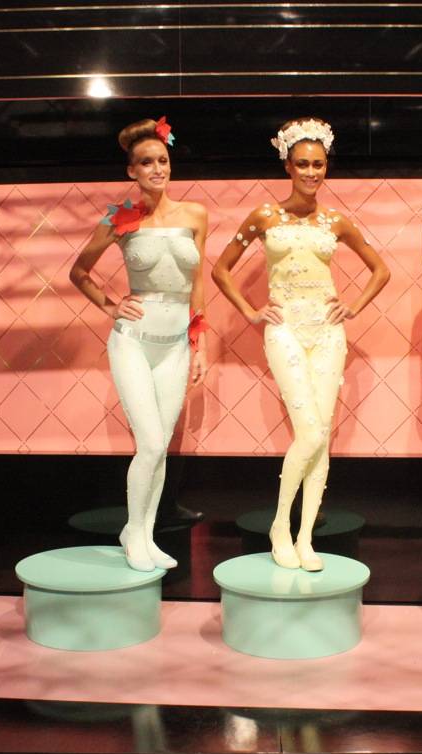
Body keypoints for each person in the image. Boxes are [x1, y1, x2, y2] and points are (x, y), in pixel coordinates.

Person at [212, 117, 390, 571]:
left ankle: (306, 536)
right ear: (287, 166)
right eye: (303, 164)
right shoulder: (264, 216)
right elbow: (220, 269)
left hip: (328, 331)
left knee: (321, 435)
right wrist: (251, 311)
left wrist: (353, 306)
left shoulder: (336, 221)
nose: (312, 172)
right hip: (285, 328)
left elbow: (381, 270)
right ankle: (279, 526)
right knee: (309, 432)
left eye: (318, 164)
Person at [69, 117, 209, 572]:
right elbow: (79, 272)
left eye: (162, 160)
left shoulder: (195, 215)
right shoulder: (120, 218)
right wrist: (110, 306)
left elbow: (198, 282)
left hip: (176, 344)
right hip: (132, 341)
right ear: (132, 170)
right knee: (148, 442)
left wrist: (201, 344)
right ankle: (133, 531)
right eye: (146, 162)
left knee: (160, 445)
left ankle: (145, 536)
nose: (157, 169)